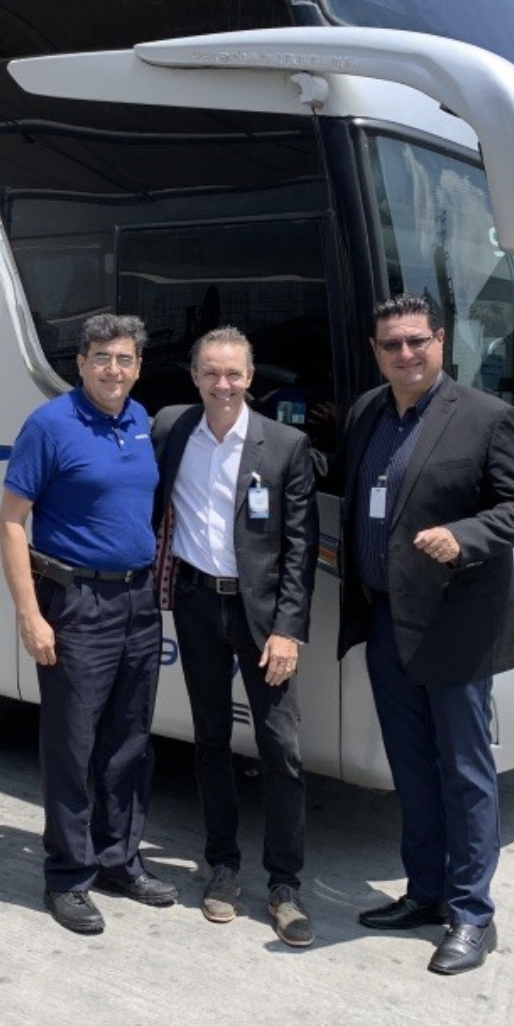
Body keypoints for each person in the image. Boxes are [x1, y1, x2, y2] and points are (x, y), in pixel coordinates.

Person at [341, 292, 514, 975]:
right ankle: (425, 892)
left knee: (465, 773)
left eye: (416, 341)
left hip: (455, 626)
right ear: (376, 352)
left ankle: (472, 915)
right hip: (384, 620)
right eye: (391, 344)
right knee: (412, 769)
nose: (405, 354)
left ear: (441, 341)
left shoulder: (486, 417)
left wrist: (464, 536)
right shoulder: (368, 412)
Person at [0, 314, 176, 935]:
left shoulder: (139, 420)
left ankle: (120, 860)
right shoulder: (50, 426)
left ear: (137, 366)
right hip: (74, 604)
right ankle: (68, 876)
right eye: (101, 357)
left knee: (129, 741)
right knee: (71, 745)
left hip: (137, 603)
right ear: (80, 363)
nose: (113, 370)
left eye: (125, 359)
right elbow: (12, 522)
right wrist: (30, 614)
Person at [151, 327, 319, 947]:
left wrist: (287, 630)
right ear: (194, 376)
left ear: (251, 378)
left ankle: (286, 884)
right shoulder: (170, 429)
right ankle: (222, 867)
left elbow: (300, 549)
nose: (222, 384)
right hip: (196, 604)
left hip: (262, 619)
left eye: (234, 374)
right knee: (210, 741)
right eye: (210, 373)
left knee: (282, 750)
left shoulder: (285, 444)